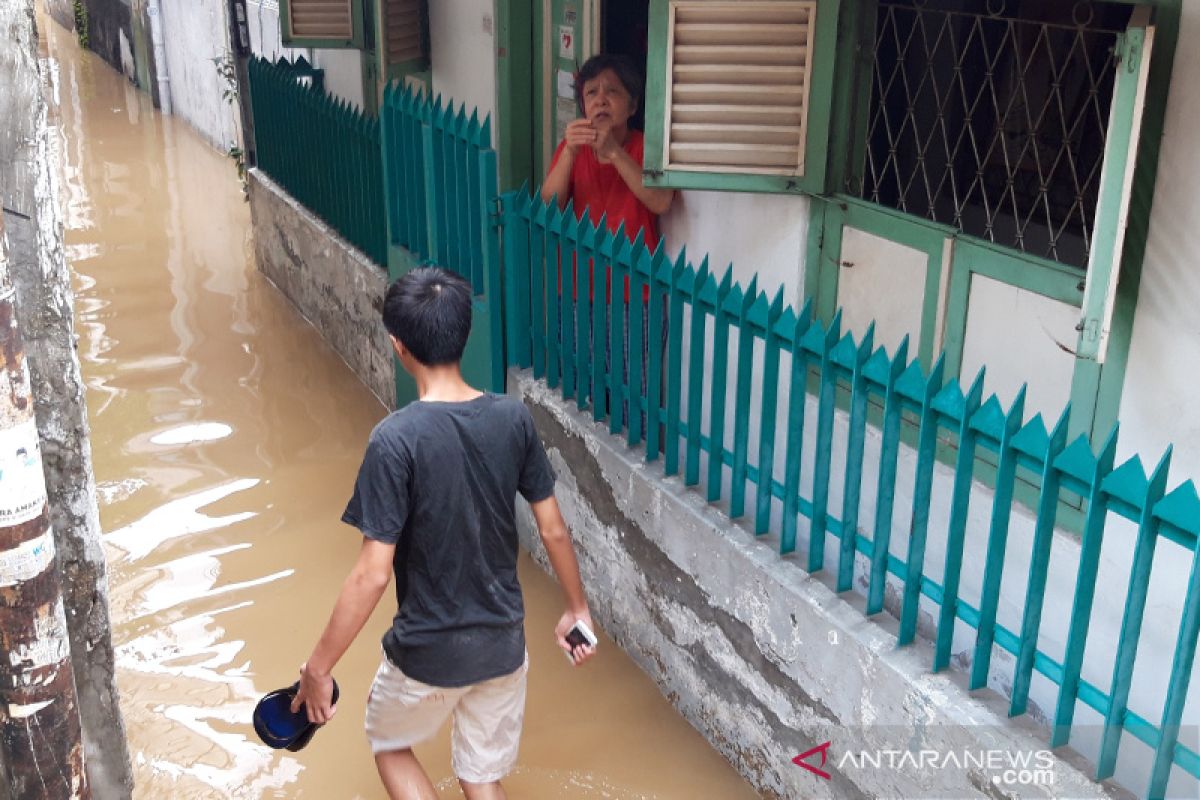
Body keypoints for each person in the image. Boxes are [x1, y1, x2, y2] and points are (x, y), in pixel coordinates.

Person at [291, 267, 595, 800]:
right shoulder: (512, 418)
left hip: (428, 648)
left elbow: (371, 574)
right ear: (463, 334)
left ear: (397, 345)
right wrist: (576, 609)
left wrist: (319, 668)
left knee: (388, 740)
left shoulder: (395, 439)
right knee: (481, 776)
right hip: (503, 643)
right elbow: (553, 531)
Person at [541, 53, 674, 239]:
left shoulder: (647, 147)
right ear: (583, 105)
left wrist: (613, 152)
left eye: (612, 91)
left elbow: (661, 203)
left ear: (633, 106)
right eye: (591, 92)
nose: (600, 101)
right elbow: (547, 209)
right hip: (580, 264)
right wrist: (569, 152)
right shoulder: (573, 146)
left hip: (633, 265)